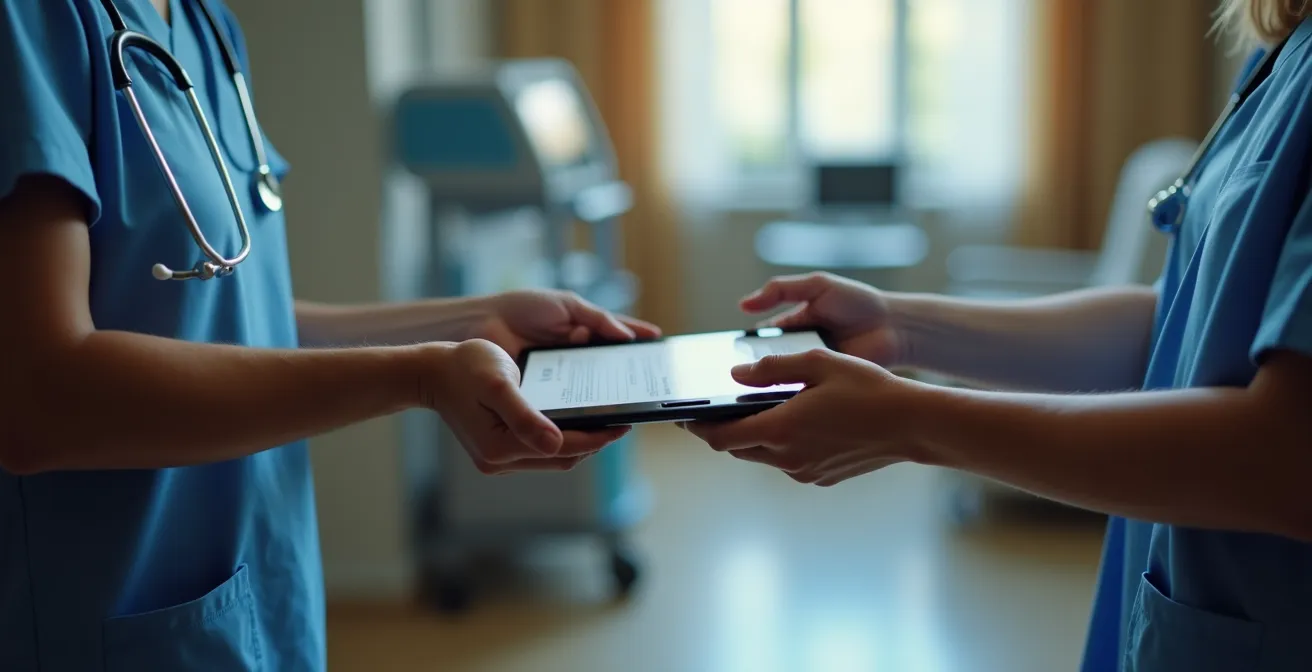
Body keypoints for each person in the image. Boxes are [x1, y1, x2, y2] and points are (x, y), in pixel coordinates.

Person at [0, 0, 657, 670]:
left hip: (260, 591)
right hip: (109, 609)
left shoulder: (204, 25)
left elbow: (243, 322)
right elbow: (38, 399)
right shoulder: (31, 24)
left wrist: (475, 320)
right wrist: (420, 377)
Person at [685, 2, 1312, 670]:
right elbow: (1176, 327)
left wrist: (911, 421)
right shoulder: (1282, 54)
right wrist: (899, 327)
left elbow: (1288, 456)